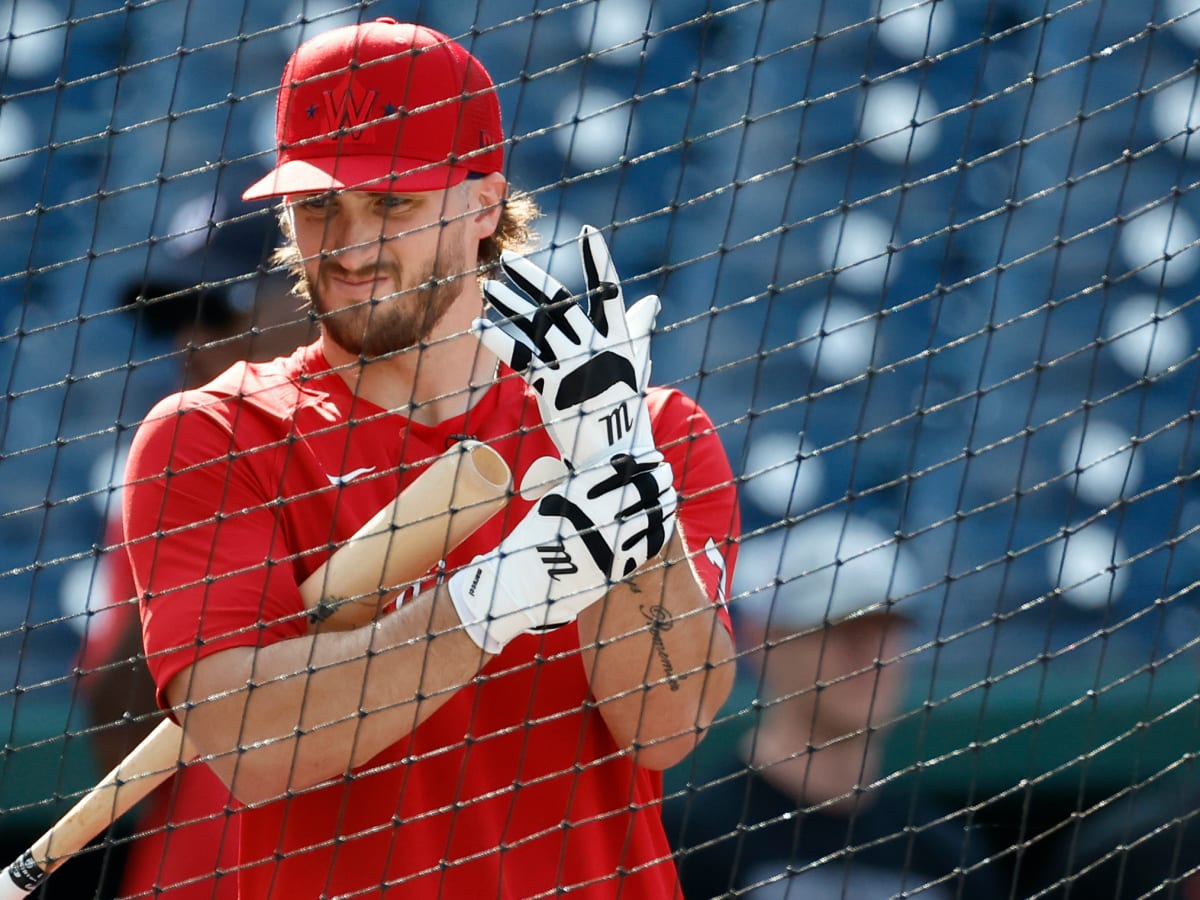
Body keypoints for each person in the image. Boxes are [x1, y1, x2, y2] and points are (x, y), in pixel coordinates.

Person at [121, 17, 740, 899]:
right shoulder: (216, 433)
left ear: (485, 206)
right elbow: (251, 742)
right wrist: (484, 606)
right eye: (319, 205)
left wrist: (617, 476)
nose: (350, 245)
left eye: (393, 204)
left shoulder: (656, 431)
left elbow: (667, 723)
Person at [77, 201, 312, 899]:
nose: (189, 341)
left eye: (220, 310)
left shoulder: (430, 452)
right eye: (177, 319)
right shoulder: (170, 471)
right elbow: (115, 748)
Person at [665, 514, 1007, 899]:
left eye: (886, 627)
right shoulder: (689, 838)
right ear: (763, 640)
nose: (869, 654)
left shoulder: (946, 855)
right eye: (838, 628)